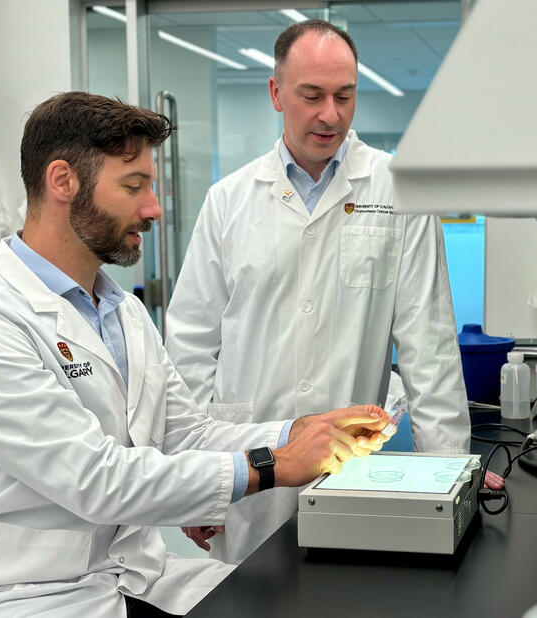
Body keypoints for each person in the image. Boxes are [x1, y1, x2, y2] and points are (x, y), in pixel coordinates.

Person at [0, 92, 388, 618]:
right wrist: (273, 466)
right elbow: (96, 479)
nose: (154, 208)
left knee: (305, 603)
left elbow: (186, 435)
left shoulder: (121, 312)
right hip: (10, 595)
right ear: (62, 181)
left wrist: (298, 434)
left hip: (129, 574)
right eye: (134, 186)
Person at [166, 19, 500, 565]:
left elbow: (429, 344)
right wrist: (196, 480)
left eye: (345, 96)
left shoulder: (396, 190)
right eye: (312, 96)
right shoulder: (228, 201)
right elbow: (188, 350)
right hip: (248, 463)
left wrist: (451, 477)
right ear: (276, 93)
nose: (331, 114)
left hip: (351, 471)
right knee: (252, 600)